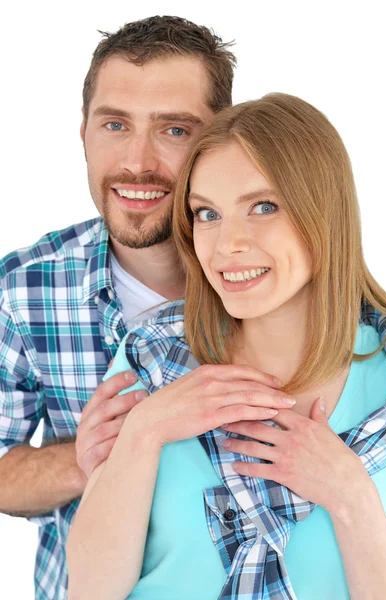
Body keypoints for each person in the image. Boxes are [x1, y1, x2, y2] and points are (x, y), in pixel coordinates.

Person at [67, 93, 386, 600]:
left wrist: (349, 493)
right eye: (207, 214)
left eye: (263, 206)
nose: (227, 245)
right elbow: (91, 590)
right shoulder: (154, 356)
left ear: (324, 212)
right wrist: (145, 430)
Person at [0, 15, 242, 600]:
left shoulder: (277, 281)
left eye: (175, 130)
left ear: (225, 140)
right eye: (115, 124)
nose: (138, 161)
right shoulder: (25, 288)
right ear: (83, 131)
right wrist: (90, 459)